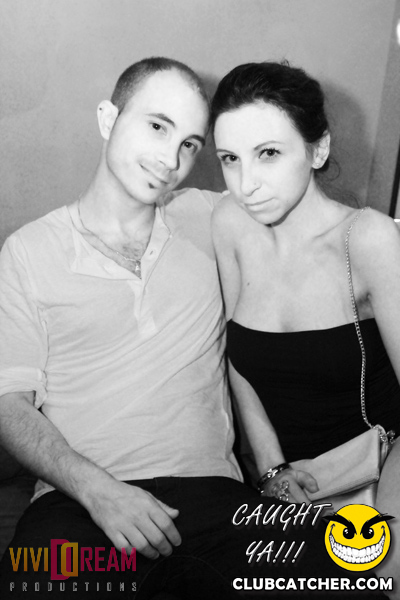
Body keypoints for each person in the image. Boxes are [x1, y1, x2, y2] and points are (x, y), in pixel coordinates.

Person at [0, 57, 385, 600]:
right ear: (108, 118)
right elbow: (8, 407)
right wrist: (98, 490)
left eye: (189, 144)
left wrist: (378, 238)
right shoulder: (27, 251)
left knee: (349, 581)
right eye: (157, 126)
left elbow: (304, 206)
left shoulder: (215, 218)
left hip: (218, 503)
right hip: (77, 504)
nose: (170, 159)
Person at [210, 60, 400, 595]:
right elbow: (236, 363)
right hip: (285, 484)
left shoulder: (368, 239)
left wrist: (389, 526)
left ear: (318, 150)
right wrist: (273, 471)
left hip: (379, 471)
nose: (246, 184)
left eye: (268, 153)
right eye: (230, 159)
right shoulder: (228, 223)